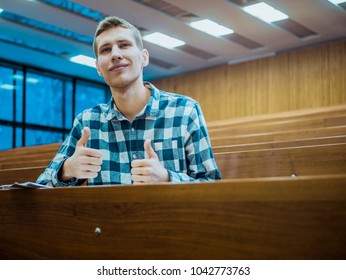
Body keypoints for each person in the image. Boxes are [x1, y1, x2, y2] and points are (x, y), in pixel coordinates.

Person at [37, 16, 221, 187]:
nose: (115, 54)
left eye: (124, 45)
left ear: (144, 57)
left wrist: (167, 178)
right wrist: (66, 171)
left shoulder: (185, 111)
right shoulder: (87, 122)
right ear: (98, 68)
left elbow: (212, 185)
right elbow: (42, 185)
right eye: (106, 49)